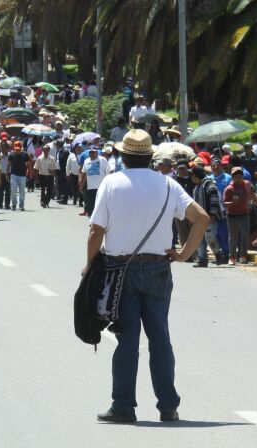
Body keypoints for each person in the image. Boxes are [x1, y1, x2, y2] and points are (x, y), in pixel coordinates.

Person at [84, 130, 209, 424]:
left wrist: (89, 266)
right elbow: (202, 218)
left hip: (120, 271)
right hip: (158, 269)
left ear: (123, 157)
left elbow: (96, 231)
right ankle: (168, 406)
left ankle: (123, 406)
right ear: (150, 157)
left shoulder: (111, 183)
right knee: (160, 338)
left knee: (127, 339)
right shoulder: (168, 184)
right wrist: (183, 254)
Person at [189, 164, 226, 267]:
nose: (191, 178)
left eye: (191, 175)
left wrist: (212, 214)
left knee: (210, 237)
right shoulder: (197, 186)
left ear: (195, 175)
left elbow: (214, 198)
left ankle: (218, 255)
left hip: (209, 217)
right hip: (199, 218)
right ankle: (202, 260)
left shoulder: (208, 184)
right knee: (199, 239)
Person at [223, 167, 252, 264]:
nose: (238, 179)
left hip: (244, 214)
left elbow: (251, 189)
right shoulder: (229, 189)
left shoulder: (247, 184)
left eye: (240, 176)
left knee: (245, 235)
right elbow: (224, 204)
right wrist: (233, 203)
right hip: (232, 215)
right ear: (232, 178)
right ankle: (232, 257)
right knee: (233, 237)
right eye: (236, 177)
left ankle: (243, 256)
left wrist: (253, 196)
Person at [81, 146, 109, 217]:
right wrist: (81, 185)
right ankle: (91, 218)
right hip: (90, 186)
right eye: (90, 152)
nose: (92, 154)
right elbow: (84, 173)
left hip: (101, 186)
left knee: (100, 203)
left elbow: (107, 172)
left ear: (97, 152)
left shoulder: (103, 160)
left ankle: (100, 217)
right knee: (91, 204)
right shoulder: (86, 161)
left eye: (93, 152)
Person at [8, 142, 29, 212]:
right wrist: (7, 174)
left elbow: (28, 164)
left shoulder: (25, 154)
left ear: (21, 148)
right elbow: (9, 165)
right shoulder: (11, 155)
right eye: (16, 149)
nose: (17, 150)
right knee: (13, 190)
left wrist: (30, 172)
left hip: (22, 175)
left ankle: (21, 205)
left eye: (18, 149)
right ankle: (14, 204)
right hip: (13, 175)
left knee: (22, 191)